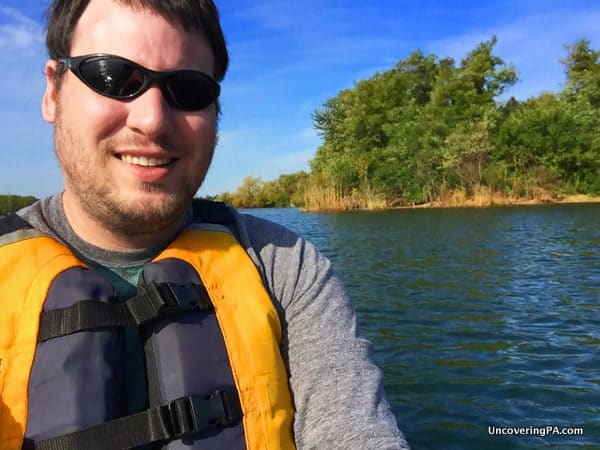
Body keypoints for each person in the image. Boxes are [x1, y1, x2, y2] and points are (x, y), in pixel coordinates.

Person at [0, 0, 410, 449]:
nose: (152, 120)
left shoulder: (284, 268)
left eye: (189, 90)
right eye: (113, 77)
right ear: (54, 93)